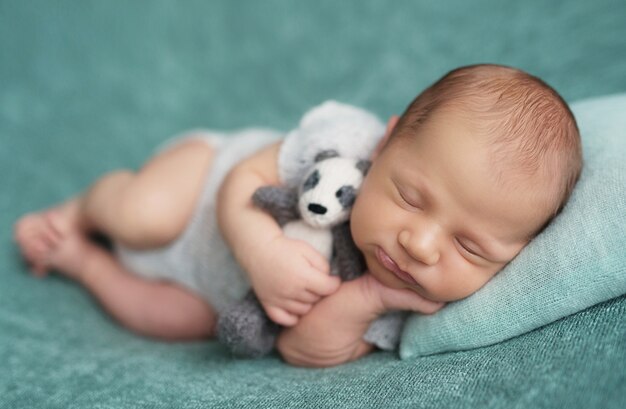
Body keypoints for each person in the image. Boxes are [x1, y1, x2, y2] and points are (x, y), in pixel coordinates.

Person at [14, 64, 582, 367]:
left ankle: (81, 262)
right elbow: (245, 179)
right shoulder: (345, 141)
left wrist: (373, 299)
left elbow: (300, 348)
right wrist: (257, 250)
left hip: (203, 289)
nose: (422, 245)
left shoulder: (405, 306)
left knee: (178, 323)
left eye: (471, 248)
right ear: (384, 145)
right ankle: (85, 208)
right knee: (145, 217)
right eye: (410, 198)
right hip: (201, 182)